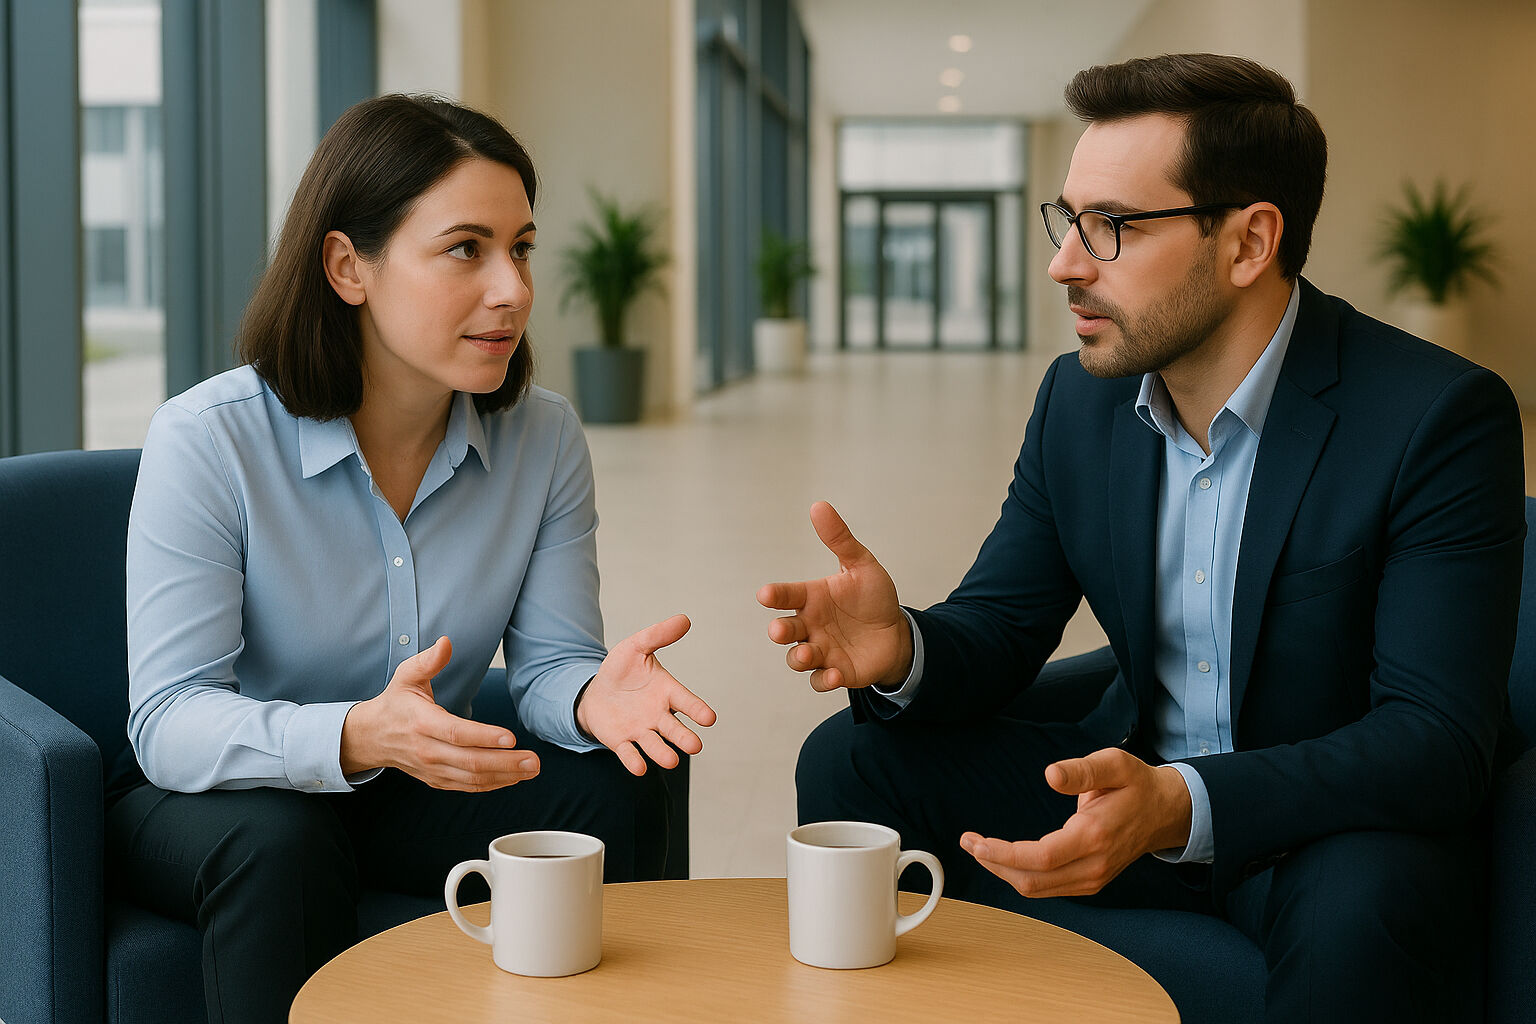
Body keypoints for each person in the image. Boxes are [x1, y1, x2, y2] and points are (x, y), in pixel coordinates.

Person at [763, 53, 1523, 1023]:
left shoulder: (1434, 418)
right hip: (1124, 784)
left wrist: (1184, 801)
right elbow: (1001, 626)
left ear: (1249, 242)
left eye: (1111, 228)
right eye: (1068, 219)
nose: (1064, 263)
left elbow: (1435, 739)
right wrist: (902, 647)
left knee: (1365, 902)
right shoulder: (1079, 404)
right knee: (849, 760)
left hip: (1313, 826)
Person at [107, 94, 715, 1024]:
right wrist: (355, 734)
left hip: (415, 783)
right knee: (283, 842)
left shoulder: (542, 437)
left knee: (627, 777)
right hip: (220, 793)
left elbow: (550, 663)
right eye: (466, 248)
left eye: (521, 248)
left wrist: (592, 694)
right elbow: (170, 718)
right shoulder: (209, 439)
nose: (511, 288)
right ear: (349, 265)